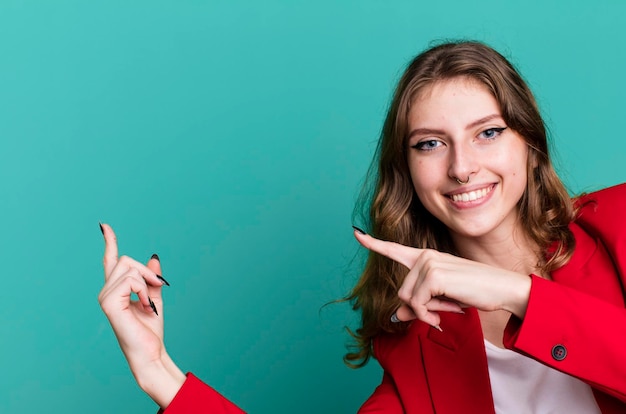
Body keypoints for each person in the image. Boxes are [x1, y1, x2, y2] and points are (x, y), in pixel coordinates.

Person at [98, 40, 626, 413]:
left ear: (531, 146)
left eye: (487, 133)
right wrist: (160, 372)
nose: (462, 166)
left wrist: (518, 295)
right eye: (430, 143)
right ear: (408, 173)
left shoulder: (619, 224)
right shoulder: (416, 348)